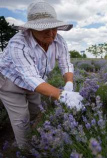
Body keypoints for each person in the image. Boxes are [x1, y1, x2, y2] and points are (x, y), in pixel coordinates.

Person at [0, 1, 83, 149]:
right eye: (44, 28)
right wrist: (62, 95)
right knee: (21, 118)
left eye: (54, 28)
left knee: (37, 111)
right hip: (9, 82)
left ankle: (35, 137)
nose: (51, 33)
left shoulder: (58, 40)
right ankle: (25, 150)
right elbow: (29, 77)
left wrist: (69, 83)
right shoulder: (18, 43)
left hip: (36, 81)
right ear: (31, 28)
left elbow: (65, 64)